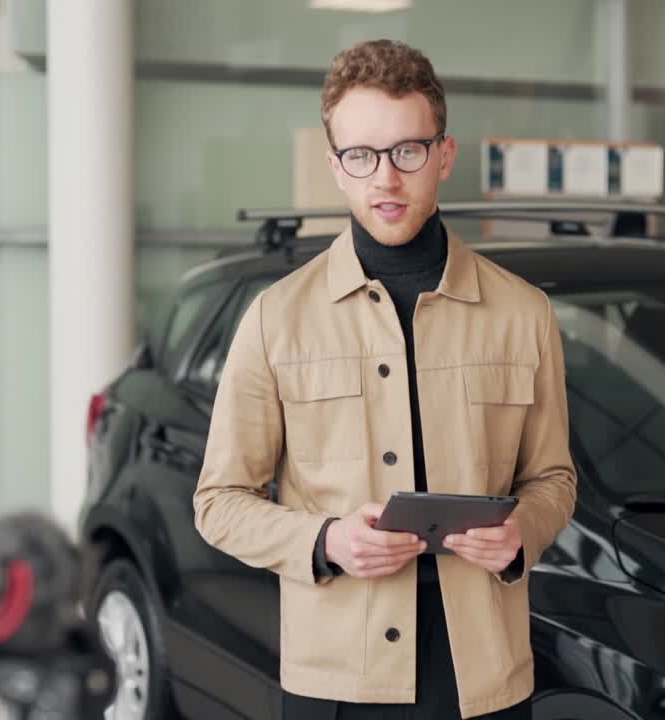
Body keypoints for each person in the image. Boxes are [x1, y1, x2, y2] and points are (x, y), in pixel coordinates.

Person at [193, 39, 576, 720]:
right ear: (335, 166)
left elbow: (553, 478)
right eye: (361, 156)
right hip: (337, 680)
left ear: (445, 155)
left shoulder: (524, 313)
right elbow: (219, 502)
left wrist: (524, 528)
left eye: (407, 151)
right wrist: (325, 541)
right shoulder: (277, 317)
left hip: (484, 677)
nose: (386, 179)